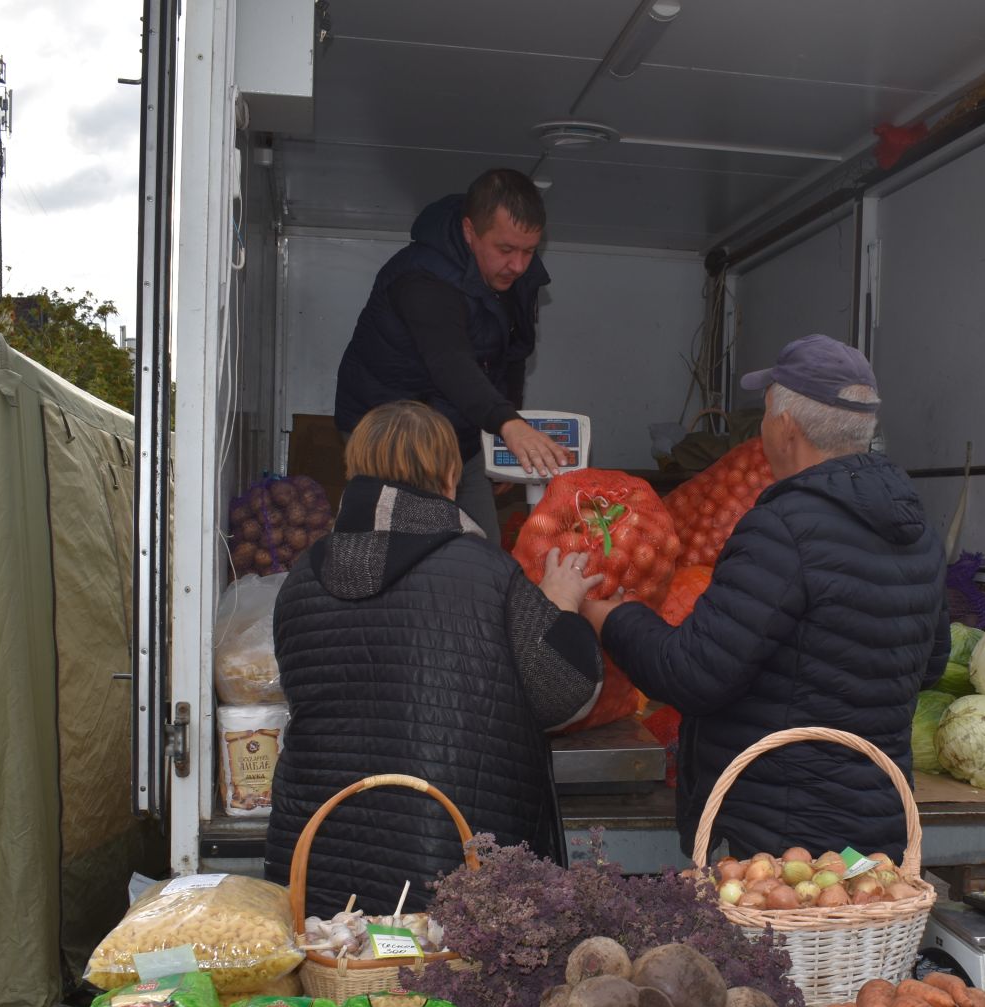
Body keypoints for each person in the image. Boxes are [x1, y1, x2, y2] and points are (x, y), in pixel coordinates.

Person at [581, 334, 948, 858]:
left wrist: (610, 617)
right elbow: (929, 665)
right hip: (876, 829)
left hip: (780, 843)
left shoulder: (781, 529)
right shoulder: (916, 528)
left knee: (781, 944)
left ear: (784, 428)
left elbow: (693, 674)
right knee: (851, 941)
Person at [264, 401, 603, 917]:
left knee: (341, 992)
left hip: (322, 869)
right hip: (450, 869)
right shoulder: (485, 570)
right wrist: (560, 603)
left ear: (353, 470)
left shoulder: (302, 578)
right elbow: (566, 695)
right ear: (450, 476)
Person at [333, 169, 572, 542]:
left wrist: (500, 440)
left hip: (460, 428)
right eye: (506, 249)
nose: (519, 265)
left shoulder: (516, 276)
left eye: (529, 251)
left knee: (483, 553)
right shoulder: (422, 280)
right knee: (402, 552)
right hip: (390, 432)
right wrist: (508, 425)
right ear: (468, 231)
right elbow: (450, 363)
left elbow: (512, 356)